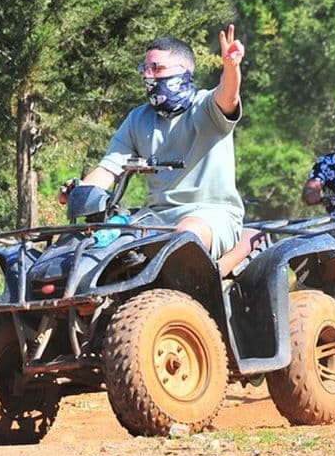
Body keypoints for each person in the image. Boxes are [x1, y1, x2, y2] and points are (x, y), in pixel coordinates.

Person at [58, 24, 246, 272]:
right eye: (145, 69)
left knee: (183, 236)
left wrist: (231, 68)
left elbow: (228, 96)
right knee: (98, 248)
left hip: (211, 216)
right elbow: (109, 168)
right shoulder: (138, 119)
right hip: (154, 217)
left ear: (184, 71)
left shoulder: (206, 107)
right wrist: (80, 192)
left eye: (157, 68)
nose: (149, 76)